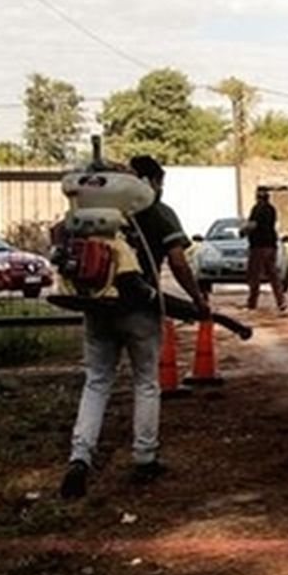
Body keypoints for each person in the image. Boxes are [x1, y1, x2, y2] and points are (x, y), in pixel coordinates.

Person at [60, 154, 210, 499]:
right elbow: (177, 262)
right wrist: (198, 299)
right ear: (151, 181)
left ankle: (80, 457)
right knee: (146, 382)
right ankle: (144, 456)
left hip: (97, 305)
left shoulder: (92, 208)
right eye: (160, 182)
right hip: (140, 310)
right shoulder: (158, 211)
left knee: (96, 382)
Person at [243, 186, 287, 313]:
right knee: (273, 274)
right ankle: (281, 301)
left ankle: (252, 302)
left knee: (254, 274)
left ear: (258, 196)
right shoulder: (272, 209)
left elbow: (253, 224)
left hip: (258, 245)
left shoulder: (257, 208)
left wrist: (243, 231)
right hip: (271, 245)